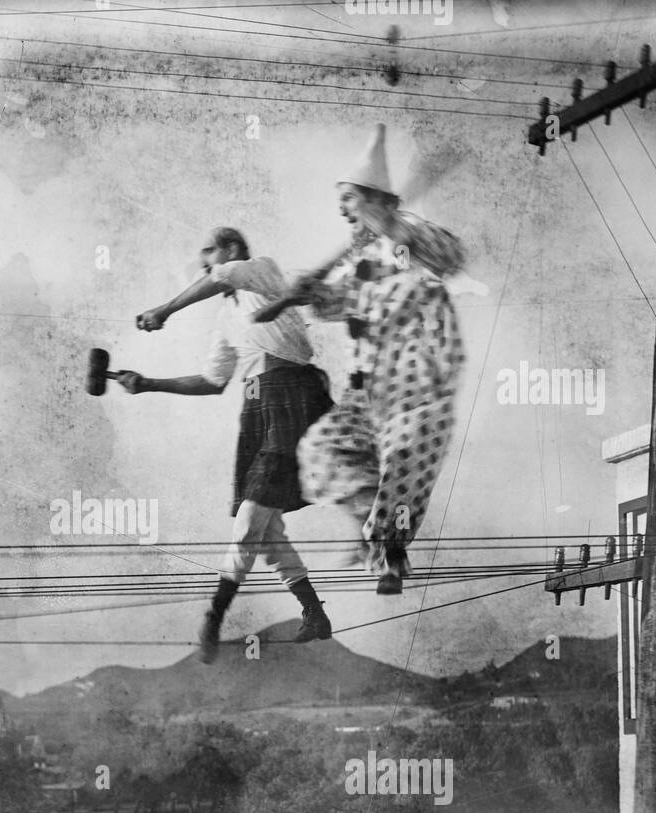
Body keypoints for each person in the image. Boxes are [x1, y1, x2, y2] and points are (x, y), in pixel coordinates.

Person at [255, 124, 466, 595]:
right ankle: (376, 536)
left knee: (405, 460)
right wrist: (308, 291)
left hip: (414, 390)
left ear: (376, 201)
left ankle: (387, 550)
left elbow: (451, 256)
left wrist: (391, 224)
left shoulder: (412, 240)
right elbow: (336, 301)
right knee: (320, 450)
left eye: (349, 199)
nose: (342, 210)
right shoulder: (358, 261)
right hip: (365, 394)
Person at [123, 227, 334, 664]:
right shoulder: (227, 316)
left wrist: (165, 309)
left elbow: (219, 277)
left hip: (291, 395)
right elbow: (213, 380)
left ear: (232, 250)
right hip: (257, 409)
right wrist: (147, 384)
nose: (205, 263)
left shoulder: (260, 271)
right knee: (266, 529)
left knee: (250, 520)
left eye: (210, 253)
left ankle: (214, 617)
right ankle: (314, 613)